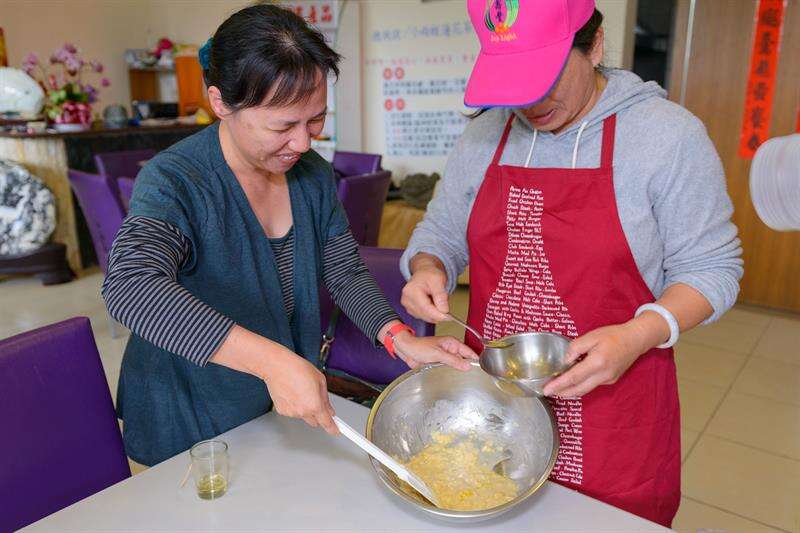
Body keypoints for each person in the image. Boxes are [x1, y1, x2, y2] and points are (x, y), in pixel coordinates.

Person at [399, 0, 743, 526]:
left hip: (614, 412)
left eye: (545, 75)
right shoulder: (485, 132)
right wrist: (429, 267)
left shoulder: (667, 137)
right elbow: (441, 232)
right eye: (514, 81)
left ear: (595, 45)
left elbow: (712, 269)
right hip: (494, 405)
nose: (530, 102)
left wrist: (638, 334)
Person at [102, 4, 476, 467]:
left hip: (270, 410)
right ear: (220, 103)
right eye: (282, 125)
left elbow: (343, 271)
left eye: (315, 119)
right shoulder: (177, 181)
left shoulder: (310, 175)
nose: (303, 143)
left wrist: (398, 336)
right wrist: (272, 361)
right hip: (191, 410)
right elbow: (130, 287)